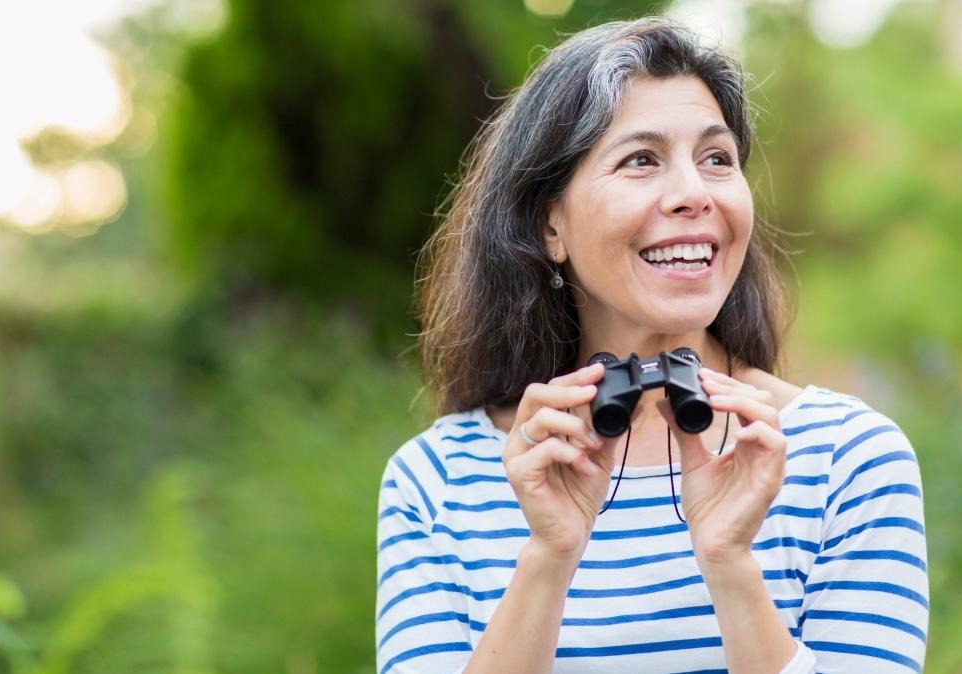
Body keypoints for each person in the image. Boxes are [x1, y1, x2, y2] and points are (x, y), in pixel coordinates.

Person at [376, 17, 928, 674]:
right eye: (641, 159)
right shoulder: (437, 484)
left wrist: (730, 566)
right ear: (550, 223)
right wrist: (548, 559)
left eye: (717, 159)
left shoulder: (849, 461)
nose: (694, 194)